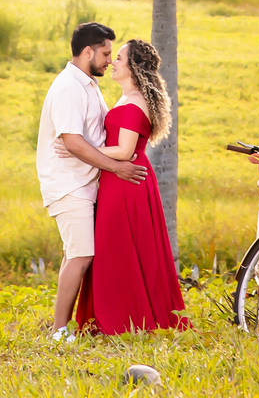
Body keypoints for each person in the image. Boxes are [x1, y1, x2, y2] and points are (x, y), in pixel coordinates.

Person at [35, 19, 147, 340]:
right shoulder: (70, 88)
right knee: (82, 255)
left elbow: (91, 137)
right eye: (106, 53)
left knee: (77, 253)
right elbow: (72, 142)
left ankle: (64, 325)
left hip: (85, 183)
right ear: (88, 51)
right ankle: (58, 332)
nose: (110, 60)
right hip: (70, 185)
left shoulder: (87, 83)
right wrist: (116, 168)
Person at [74, 38, 189, 335]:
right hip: (120, 179)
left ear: (134, 67)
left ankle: (124, 318)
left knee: (118, 248)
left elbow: (125, 151)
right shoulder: (128, 98)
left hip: (126, 180)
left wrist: (80, 148)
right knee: (116, 248)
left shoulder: (136, 101)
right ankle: (113, 314)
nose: (113, 62)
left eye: (120, 58)